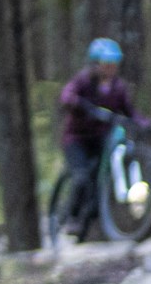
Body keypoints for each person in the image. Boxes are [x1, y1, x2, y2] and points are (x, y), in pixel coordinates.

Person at [55, 39, 138, 235]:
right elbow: (66, 96)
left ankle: (89, 219)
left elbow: (130, 112)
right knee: (81, 178)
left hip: (100, 139)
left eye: (114, 64)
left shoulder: (118, 88)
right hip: (76, 139)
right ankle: (70, 215)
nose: (110, 68)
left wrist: (144, 124)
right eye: (106, 64)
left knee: (99, 181)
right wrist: (79, 104)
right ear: (95, 64)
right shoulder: (82, 81)